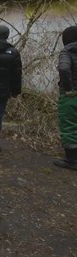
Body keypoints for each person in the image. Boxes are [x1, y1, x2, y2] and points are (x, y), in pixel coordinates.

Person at [54, 26, 77, 170]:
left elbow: (63, 68)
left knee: (69, 125)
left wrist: (68, 88)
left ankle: (71, 160)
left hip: (71, 95)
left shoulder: (67, 52)